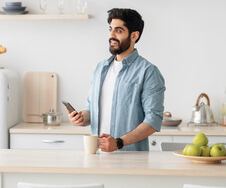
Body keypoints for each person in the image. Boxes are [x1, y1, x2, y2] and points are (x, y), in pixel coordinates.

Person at [68, 8, 165, 152]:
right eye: (110, 29)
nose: (111, 35)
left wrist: (119, 142)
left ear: (134, 36)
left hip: (131, 159)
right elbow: (91, 110)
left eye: (118, 31)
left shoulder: (148, 72)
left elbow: (153, 120)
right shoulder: (100, 68)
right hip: (97, 155)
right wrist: (82, 118)